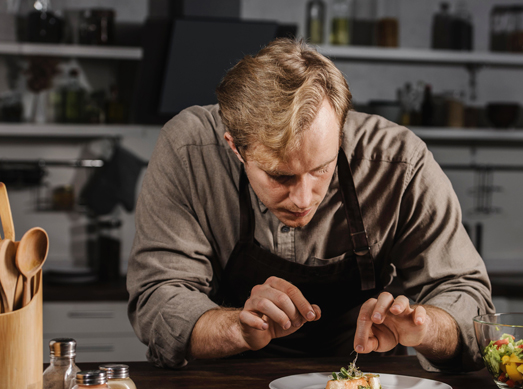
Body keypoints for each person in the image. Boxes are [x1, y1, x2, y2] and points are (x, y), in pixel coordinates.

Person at [127, 38, 493, 370]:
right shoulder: (188, 151)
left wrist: (424, 328)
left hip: (366, 385)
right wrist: (236, 328)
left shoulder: (400, 161)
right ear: (235, 148)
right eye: (280, 176)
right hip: (221, 387)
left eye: (321, 169)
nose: (303, 199)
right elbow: (159, 296)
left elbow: (469, 301)